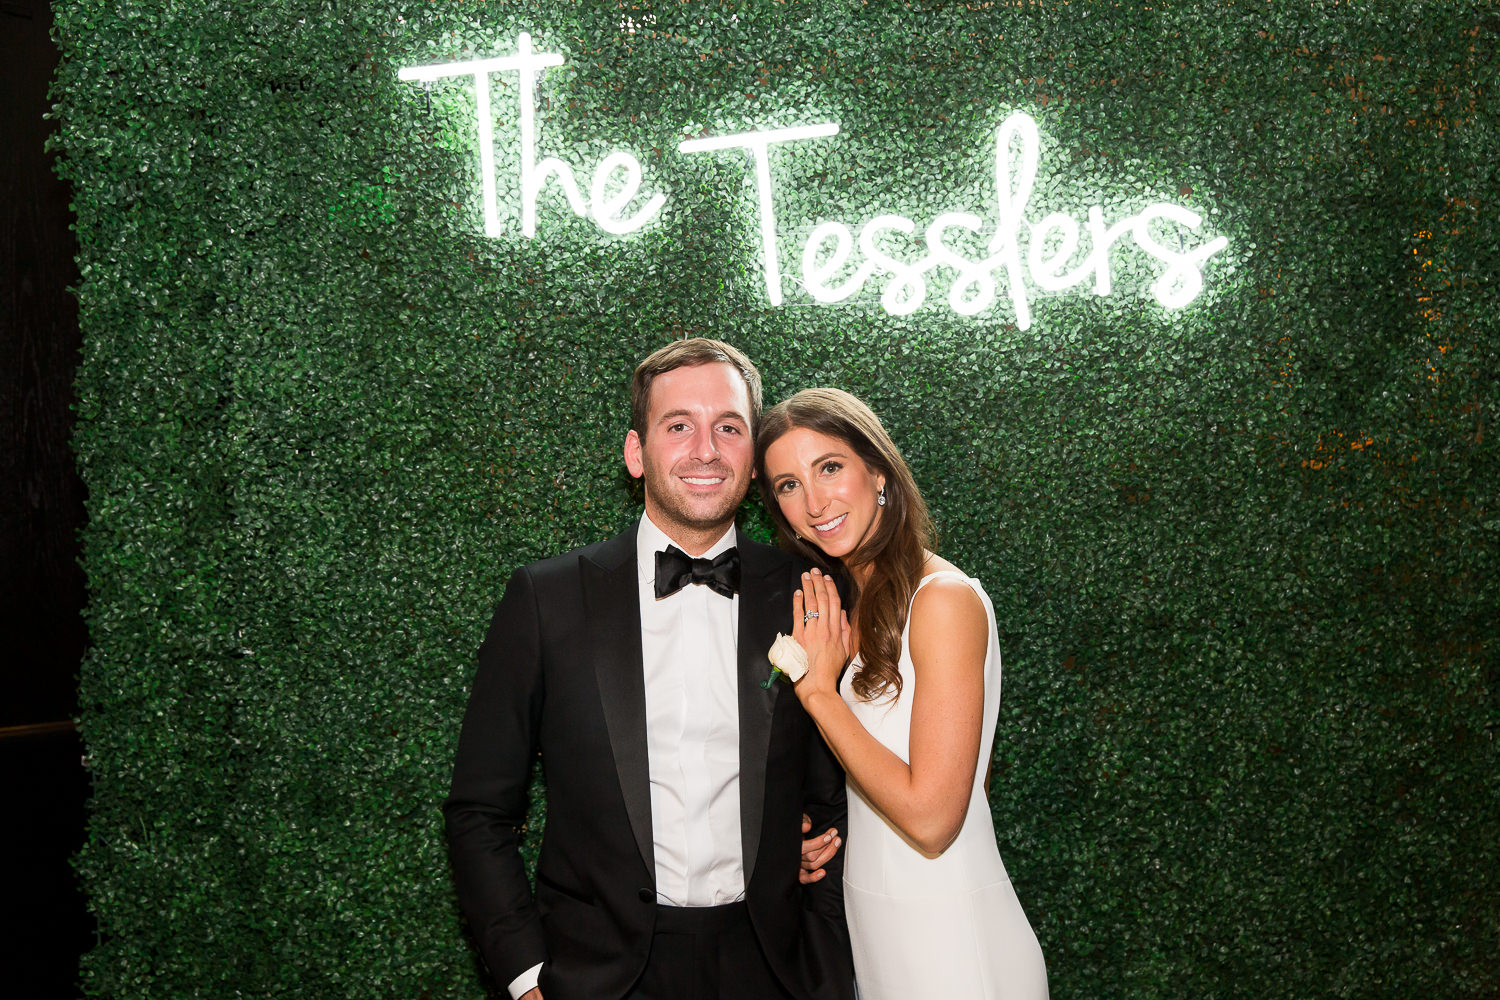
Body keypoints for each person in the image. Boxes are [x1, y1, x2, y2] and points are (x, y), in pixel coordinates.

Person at [444, 340, 856, 1000]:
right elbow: (479, 812)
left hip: (772, 974)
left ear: (751, 458)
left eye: (729, 427)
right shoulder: (547, 600)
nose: (706, 449)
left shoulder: (811, 593)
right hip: (597, 979)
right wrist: (526, 978)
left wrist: (809, 871)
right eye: (678, 426)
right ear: (636, 453)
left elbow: (833, 794)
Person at [756, 387, 1049, 1000]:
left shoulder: (940, 601)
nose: (813, 502)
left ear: (878, 471)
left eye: (829, 467)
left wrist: (820, 695)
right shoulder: (853, 607)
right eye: (786, 485)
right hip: (881, 935)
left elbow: (935, 820)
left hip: (954, 948)